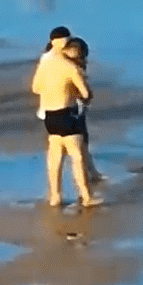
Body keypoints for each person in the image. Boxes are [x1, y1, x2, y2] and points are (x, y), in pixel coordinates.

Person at [33, 26, 97, 208]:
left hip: (50, 117)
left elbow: (36, 88)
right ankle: (86, 197)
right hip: (67, 114)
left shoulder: (45, 64)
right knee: (77, 157)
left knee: (54, 158)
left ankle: (55, 196)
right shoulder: (70, 67)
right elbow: (86, 93)